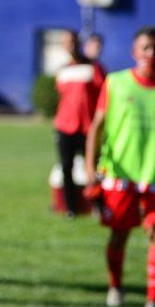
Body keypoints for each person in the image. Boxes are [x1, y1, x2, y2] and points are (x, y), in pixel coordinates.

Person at [84, 26, 155, 307]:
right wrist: (91, 169)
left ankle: (153, 300)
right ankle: (115, 286)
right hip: (120, 177)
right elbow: (96, 127)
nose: (151, 54)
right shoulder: (116, 83)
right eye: (145, 48)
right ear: (134, 52)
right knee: (119, 234)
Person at [54, 30, 105, 218]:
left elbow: (103, 94)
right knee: (66, 167)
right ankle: (71, 208)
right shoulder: (63, 70)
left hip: (88, 127)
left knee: (93, 167)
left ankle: (99, 205)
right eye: (67, 42)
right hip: (65, 126)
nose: (71, 45)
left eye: (73, 41)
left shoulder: (93, 67)